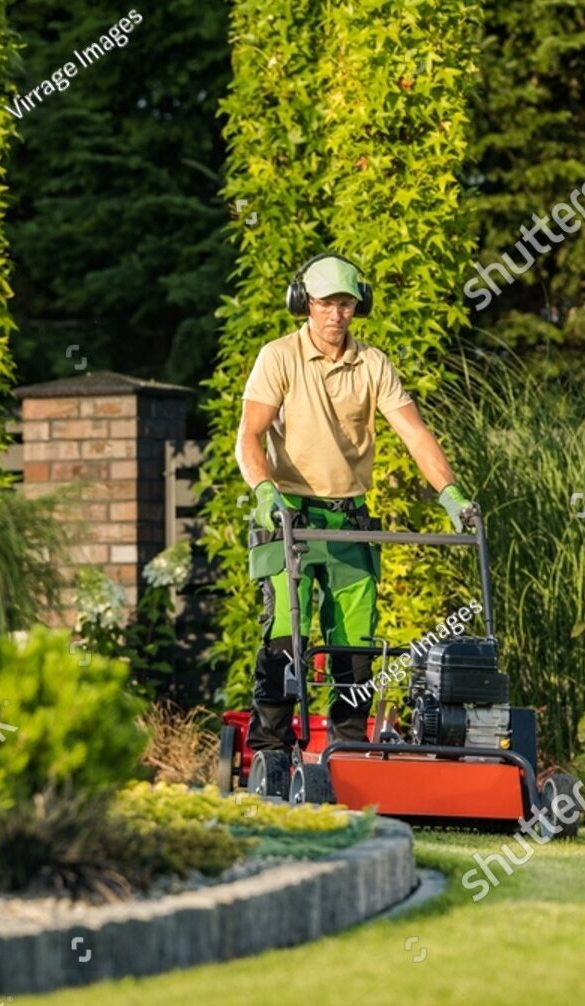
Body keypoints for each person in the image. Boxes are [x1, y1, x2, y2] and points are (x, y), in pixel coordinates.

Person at [235, 252, 476, 753]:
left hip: (350, 521)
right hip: (290, 519)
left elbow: (414, 433)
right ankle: (270, 750)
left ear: (357, 306)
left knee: (353, 645)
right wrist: (264, 493)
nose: (334, 315)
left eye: (345, 304)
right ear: (305, 303)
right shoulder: (277, 356)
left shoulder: (373, 363)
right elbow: (249, 437)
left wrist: (451, 495)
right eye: (324, 303)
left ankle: (345, 748)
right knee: (287, 633)